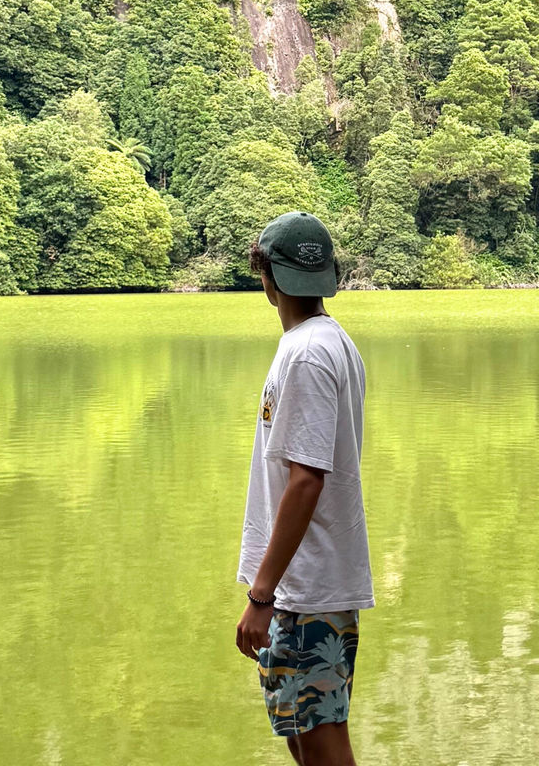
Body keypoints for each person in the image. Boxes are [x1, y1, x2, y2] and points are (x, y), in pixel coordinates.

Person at [235, 211, 372, 765]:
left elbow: (307, 480)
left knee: (321, 741)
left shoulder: (308, 353)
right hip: (306, 585)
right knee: (304, 735)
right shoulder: (328, 341)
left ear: (268, 281)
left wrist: (261, 594)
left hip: (305, 589)